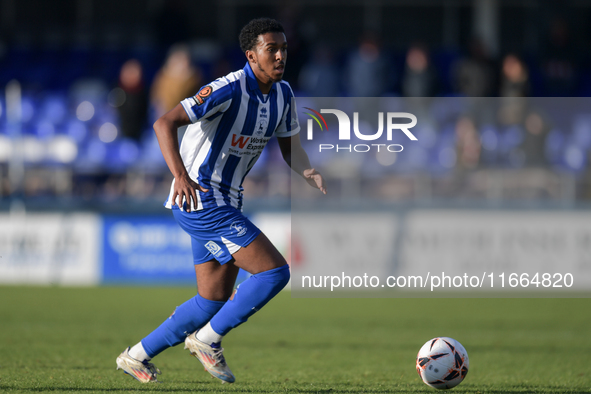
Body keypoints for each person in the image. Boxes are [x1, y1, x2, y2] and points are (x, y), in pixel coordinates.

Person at [115, 17, 326, 384]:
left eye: (284, 49)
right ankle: (207, 340)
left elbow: (290, 146)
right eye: (271, 49)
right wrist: (180, 175)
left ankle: (136, 356)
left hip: (229, 201)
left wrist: (306, 170)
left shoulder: (284, 94)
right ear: (251, 55)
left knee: (212, 298)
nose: (280, 56)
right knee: (274, 272)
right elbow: (164, 122)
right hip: (202, 198)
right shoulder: (227, 88)